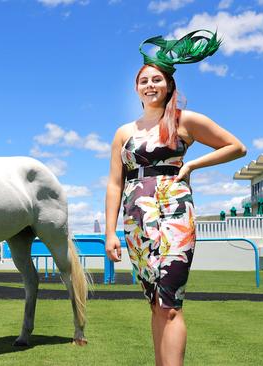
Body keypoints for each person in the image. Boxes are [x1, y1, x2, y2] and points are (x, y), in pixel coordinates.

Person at [104, 30, 247, 366]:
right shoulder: (124, 132)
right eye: (144, 80)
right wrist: (110, 233)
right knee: (155, 304)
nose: (150, 85)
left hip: (174, 216)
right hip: (136, 222)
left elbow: (236, 147)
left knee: (170, 303)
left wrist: (193, 163)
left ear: (168, 84)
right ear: (136, 88)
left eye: (156, 79)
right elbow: (114, 184)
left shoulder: (185, 121)